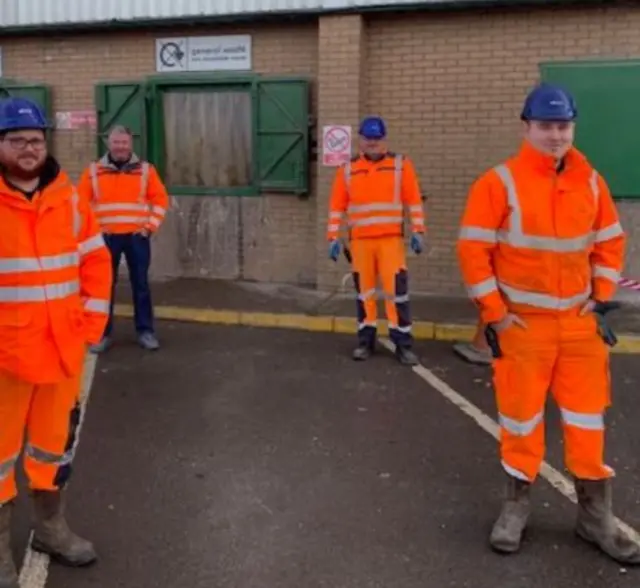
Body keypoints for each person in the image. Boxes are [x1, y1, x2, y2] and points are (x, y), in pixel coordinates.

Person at [457, 82, 639, 564]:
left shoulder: (591, 181)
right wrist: (496, 314)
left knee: (586, 423)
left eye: (564, 126)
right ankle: (515, 509)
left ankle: (594, 518)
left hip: (579, 327)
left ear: (572, 127)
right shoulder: (498, 183)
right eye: (546, 126)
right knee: (520, 421)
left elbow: (609, 244)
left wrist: (601, 299)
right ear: (527, 127)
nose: (556, 136)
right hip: (524, 328)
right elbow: (474, 251)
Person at [0, 97, 112, 587]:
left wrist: (89, 328)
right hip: (4, 359)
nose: (29, 148)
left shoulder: (70, 199)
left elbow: (96, 264)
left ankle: (50, 529)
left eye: (36, 140)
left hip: (62, 353)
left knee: (51, 452)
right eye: (17, 140)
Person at [327, 116, 426, 365]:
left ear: (384, 139)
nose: (372, 143)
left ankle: (402, 344)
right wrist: (332, 237)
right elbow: (336, 206)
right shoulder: (347, 169)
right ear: (360, 140)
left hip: (390, 241)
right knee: (365, 294)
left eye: (376, 138)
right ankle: (365, 341)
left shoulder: (401, 165)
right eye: (368, 138)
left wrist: (418, 231)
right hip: (360, 242)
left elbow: (413, 200)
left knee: (397, 294)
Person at [77, 125, 169, 353]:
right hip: (105, 239)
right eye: (116, 142)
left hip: (137, 237)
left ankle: (145, 331)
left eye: (124, 143)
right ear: (109, 143)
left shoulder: (146, 171)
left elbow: (161, 200)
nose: (120, 147)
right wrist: (90, 235)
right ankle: (101, 334)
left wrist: (149, 228)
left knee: (141, 285)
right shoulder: (93, 171)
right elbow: (79, 206)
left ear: (131, 144)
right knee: (103, 287)